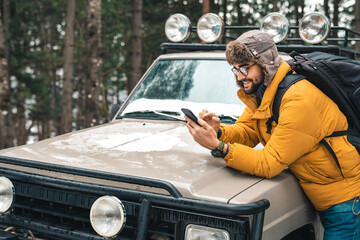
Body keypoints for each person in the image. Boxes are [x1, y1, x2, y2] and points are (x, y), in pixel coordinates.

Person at [184, 30, 360, 240]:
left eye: (245, 68)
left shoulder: (298, 99)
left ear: (265, 63)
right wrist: (218, 131)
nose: (239, 76)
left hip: (346, 201)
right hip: (323, 194)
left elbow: (269, 163)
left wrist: (219, 147)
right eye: (236, 68)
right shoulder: (265, 92)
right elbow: (248, 132)